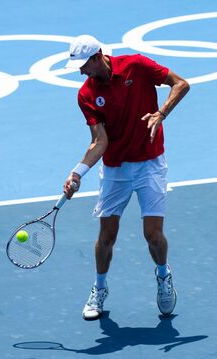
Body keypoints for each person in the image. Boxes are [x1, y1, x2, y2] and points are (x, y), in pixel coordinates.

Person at [63, 35, 190, 320]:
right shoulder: (85, 95)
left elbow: (181, 84)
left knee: (153, 237)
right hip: (115, 169)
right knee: (106, 236)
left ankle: (162, 275)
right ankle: (99, 288)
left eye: (84, 65)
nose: (82, 72)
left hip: (150, 164)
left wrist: (161, 113)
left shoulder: (136, 65)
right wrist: (78, 172)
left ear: (98, 56)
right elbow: (99, 141)